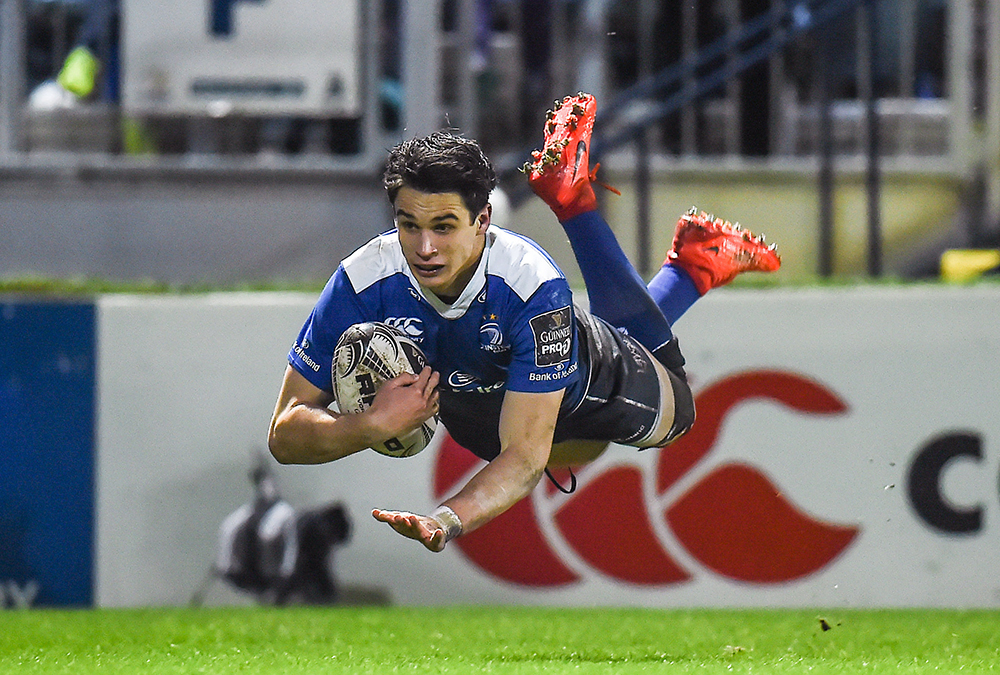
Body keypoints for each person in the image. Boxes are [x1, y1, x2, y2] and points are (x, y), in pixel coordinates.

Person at [268, 92, 780, 552]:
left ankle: (581, 207)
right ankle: (690, 268)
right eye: (409, 225)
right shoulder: (361, 281)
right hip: (485, 419)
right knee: (577, 452)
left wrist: (447, 519)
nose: (424, 248)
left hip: (586, 384)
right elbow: (283, 434)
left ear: (483, 221)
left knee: (677, 414)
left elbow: (525, 457)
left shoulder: (530, 286)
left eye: (444, 227)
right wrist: (370, 424)